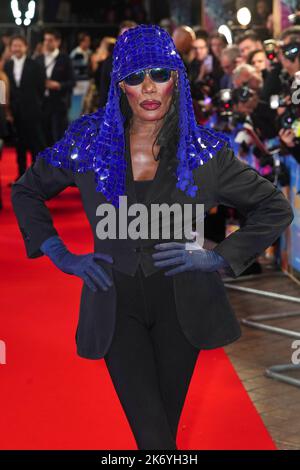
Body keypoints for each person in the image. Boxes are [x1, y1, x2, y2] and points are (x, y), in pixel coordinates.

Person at [11, 24, 294, 450]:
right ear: (119, 85)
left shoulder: (204, 152)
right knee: (154, 438)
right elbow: (27, 188)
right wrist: (60, 253)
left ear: (176, 78)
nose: (148, 87)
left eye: (159, 74)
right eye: (134, 76)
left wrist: (217, 258)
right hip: (114, 302)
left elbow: (275, 207)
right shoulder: (90, 144)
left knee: (159, 437)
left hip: (183, 306)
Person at [4, 35, 45, 181]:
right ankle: (21, 176)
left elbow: (41, 88)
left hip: (32, 111)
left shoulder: (35, 65)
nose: (16, 48)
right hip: (15, 113)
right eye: (14, 45)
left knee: (34, 145)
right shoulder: (6, 65)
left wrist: (34, 104)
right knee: (19, 146)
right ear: (11, 48)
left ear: (25, 47)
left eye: (19, 45)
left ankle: (35, 177)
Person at [35, 29, 75, 146]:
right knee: (44, 136)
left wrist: (59, 85)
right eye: (45, 40)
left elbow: (72, 82)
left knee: (58, 136)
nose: (47, 43)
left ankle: (59, 164)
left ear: (58, 42)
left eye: (50, 40)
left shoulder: (65, 59)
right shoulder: (38, 59)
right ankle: (45, 163)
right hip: (42, 104)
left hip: (59, 104)